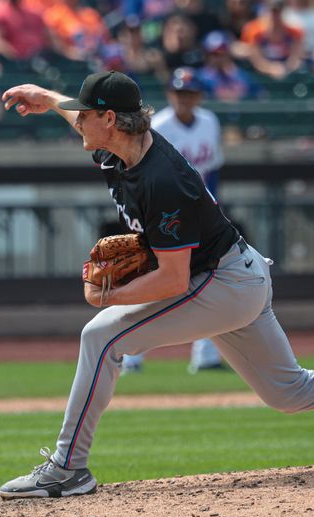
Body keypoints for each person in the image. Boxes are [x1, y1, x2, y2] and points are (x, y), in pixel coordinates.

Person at [0, 70, 314, 499]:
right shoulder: (119, 144)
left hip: (222, 285)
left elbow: (170, 280)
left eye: (86, 113)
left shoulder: (161, 180)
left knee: (100, 336)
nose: (76, 119)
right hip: (239, 274)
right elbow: (79, 114)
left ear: (109, 120)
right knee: (291, 391)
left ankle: (68, 469)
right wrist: (45, 96)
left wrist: (107, 296)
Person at [122, 67, 226, 374]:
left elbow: (214, 169)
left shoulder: (210, 121)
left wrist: (215, 205)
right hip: (164, 214)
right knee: (154, 282)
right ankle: (130, 356)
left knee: (209, 281)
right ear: (170, 94)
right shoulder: (159, 125)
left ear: (199, 96)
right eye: (179, 92)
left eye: (190, 93)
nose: (184, 98)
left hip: (200, 212)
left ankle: (205, 354)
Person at [240, 0, 304, 80]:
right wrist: (271, 69)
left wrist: (284, 68)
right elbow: (256, 60)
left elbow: (295, 58)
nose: (275, 14)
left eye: (278, 10)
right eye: (273, 10)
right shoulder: (253, 30)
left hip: (286, 75)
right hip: (260, 77)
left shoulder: (294, 32)